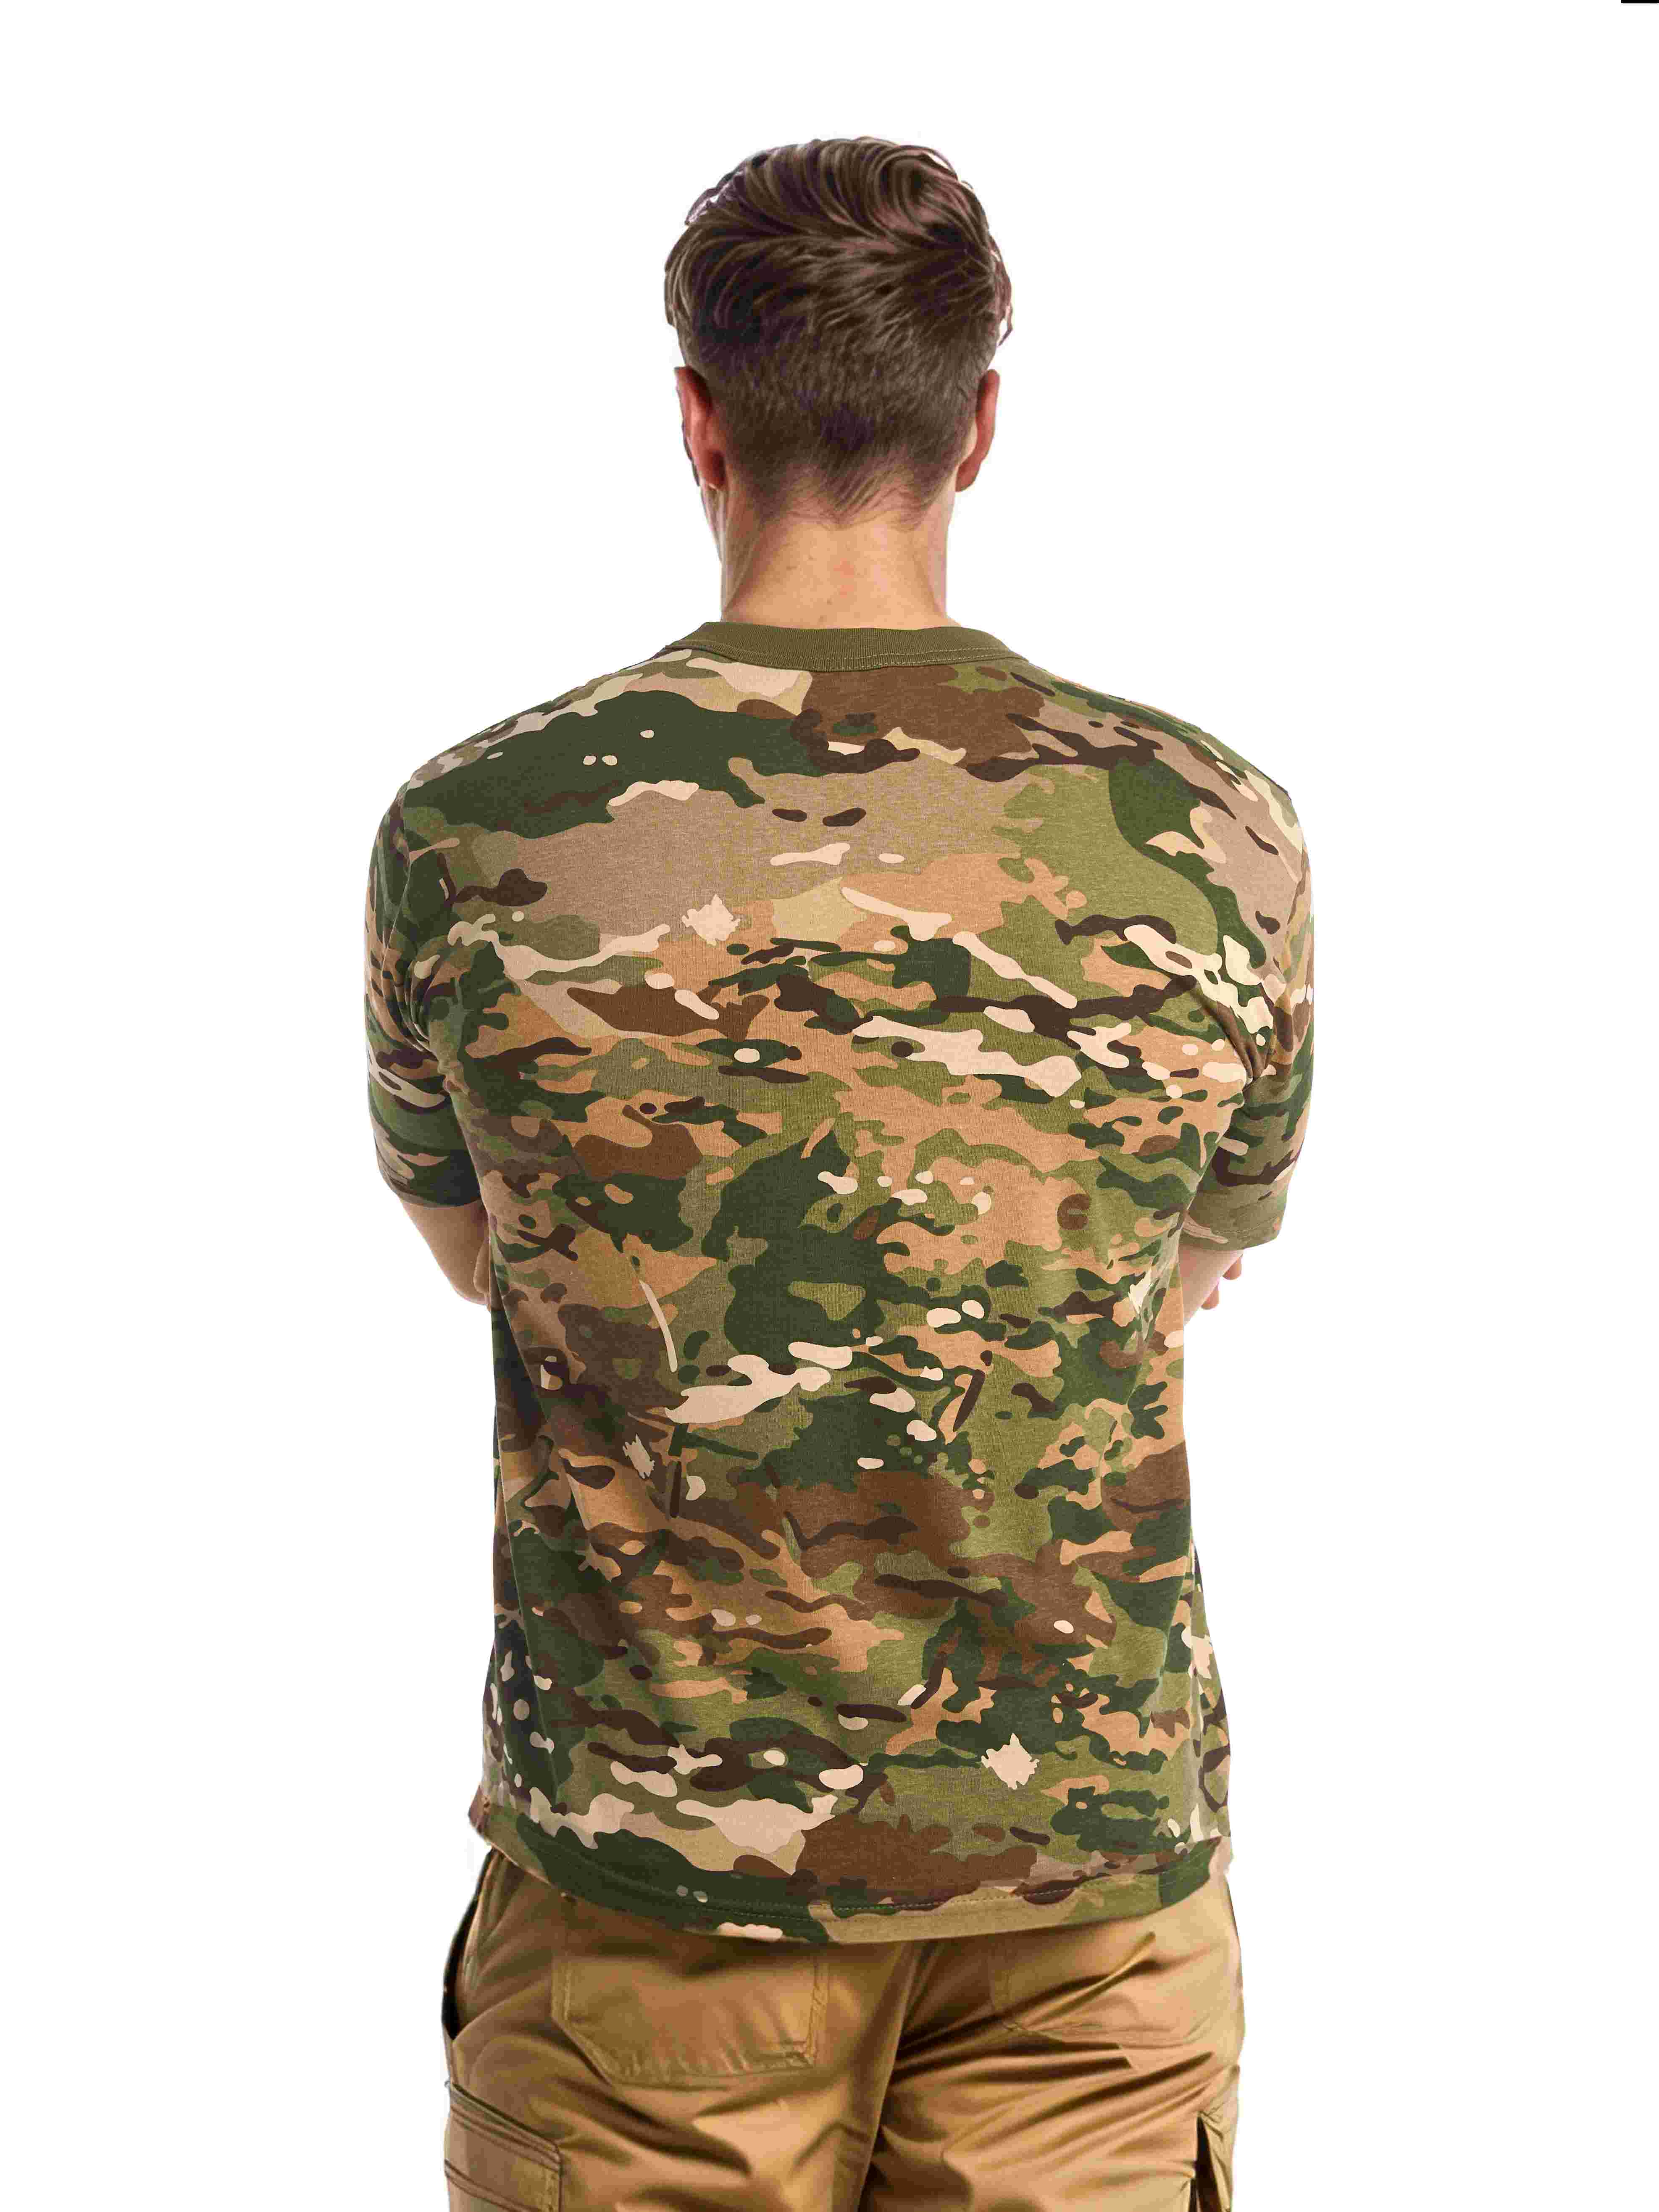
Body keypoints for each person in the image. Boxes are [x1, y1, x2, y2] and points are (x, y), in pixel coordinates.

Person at [364, 135, 1314, 2212]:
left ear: (695, 423)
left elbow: (480, 1245)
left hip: (654, 1894)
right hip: (1081, 1893)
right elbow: (1188, 1260)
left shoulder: (479, 829)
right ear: (979, 425)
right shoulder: (1213, 829)